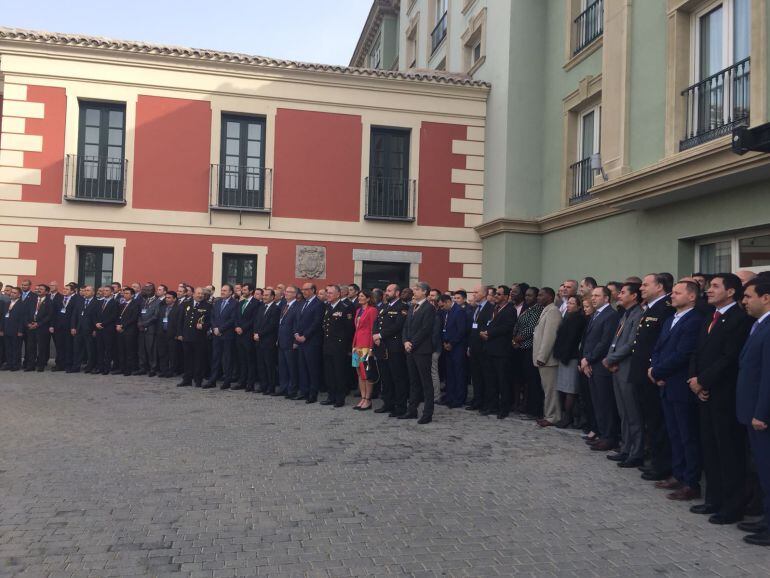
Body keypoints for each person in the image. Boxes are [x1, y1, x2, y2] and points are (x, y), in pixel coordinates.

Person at [687, 273, 754, 523]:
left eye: (715, 286)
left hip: (724, 395)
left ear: (731, 292)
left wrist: (703, 381)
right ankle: (713, 499)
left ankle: (732, 506)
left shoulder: (740, 320)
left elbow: (729, 358)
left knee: (729, 452)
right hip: (703, 393)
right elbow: (696, 351)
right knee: (710, 449)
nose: (709, 290)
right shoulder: (709, 318)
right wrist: (694, 379)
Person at [649, 281, 704, 501]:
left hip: (680, 386)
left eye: (678, 292)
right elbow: (659, 347)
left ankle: (691, 482)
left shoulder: (694, 321)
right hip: (665, 383)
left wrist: (659, 371)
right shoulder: (671, 318)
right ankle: (678, 473)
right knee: (673, 433)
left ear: (691, 297)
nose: (672, 295)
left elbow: (683, 354)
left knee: (687, 435)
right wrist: (655, 370)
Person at [630, 273, 676, 481]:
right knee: (651, 419)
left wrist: (655, 369)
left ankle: (662, 464)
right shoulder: (651, 308)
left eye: (646, 285)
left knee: (658, 422)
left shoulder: (665, 308)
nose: (641, 288)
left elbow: (663, 344)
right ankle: (656, 460)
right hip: (642, 374)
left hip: (652, 374)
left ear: (659, 287)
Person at [736, 278, 770, 545]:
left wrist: (762, 413)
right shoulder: (759, 326)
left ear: (766, 298)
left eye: (748, 296)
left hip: (762, 417)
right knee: (762, 468)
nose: (744, 301)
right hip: (752, 411)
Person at [603, 283, 645, 467]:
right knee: (623, 413)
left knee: (633, 413)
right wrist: (610, 359)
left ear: (634, 296)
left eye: (623, 292)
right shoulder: (626, 313)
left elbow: (630, 343)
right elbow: (616, 339)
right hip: (616, 367)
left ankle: (636, 452)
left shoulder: (638, 314)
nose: (619, 295)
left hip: (626, 368)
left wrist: (611, 358)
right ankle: (626, 447)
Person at [581, 287, 620, 452]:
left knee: (605, 403)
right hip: (591, 364)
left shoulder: (610, 315)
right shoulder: (596, 315)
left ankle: (609, 437)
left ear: (607, 298)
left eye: (597, 296)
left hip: (601, 366)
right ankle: (602, 434)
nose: (593, 298)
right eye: (592, 295)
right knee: (597, 402)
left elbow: (604, 342)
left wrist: (588, 359)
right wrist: (585, 359)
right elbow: (589, 340)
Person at [401, 282, 436, 424]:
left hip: (422, 350)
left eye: (417, 290)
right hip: (410, 349)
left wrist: (412, 343)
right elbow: (405, 327)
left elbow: (425, 330)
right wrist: (405, 342)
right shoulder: (412, 306)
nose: (414, 292)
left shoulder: (429, 308)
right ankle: (412, 410)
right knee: (413, 381)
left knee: (425, 382)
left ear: (424, 292)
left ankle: (428, 413)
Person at [481, 285, 517, 419]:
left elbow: (507, 327)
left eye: (499, 294)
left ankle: (504, 408)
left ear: (506, 297)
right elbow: (486, 322)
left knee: (503, 381)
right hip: (489, 349)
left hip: (501, 351)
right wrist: (484, 332)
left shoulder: (510, 310)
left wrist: (489, 333)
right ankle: (492, 405)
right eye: (496, 294)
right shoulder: (493, 308)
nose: (496, 296)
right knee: (491, 380)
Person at [373, 284, 409, 416]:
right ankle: (388, 403)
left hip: (394, 347)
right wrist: (375, 335)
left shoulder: (402, 307)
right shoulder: (383, 307)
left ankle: (400, 407)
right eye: (386, 291)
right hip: (382, 347)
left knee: (397, 378)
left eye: (389, 291)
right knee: (385, 378)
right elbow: (376, 322)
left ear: (397, 293)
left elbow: (398, 326)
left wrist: (380, 335)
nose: (386, 293)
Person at [553, 295, 586, 428]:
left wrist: (564, 356)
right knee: (563, 389)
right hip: (563, 357)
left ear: (579, 306)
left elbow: (572, 340)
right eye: (569, 303)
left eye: (573, 303)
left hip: (570, 358)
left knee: (570, 390)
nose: (569, 305)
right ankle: (567, 416)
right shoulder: (568, 317)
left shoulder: (578, 319)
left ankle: (568, 417)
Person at [321, 285, 354, 408]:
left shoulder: (346, 307)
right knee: (329, 373)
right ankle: (331, 396)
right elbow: (325, 325)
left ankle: (340, 398)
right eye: (327, 292)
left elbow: (349, 329)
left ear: (338, 294)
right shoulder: (328, 306)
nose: (328, 295)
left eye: (330, 293)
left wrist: (345, 346)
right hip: (328, 344)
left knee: (339, 372)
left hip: (339, 345)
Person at [533, 287, 562, 427]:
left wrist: (542, 356)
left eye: (541, 295)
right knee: (547, 389)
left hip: (548, 360)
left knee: (550, 390)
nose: (538, 297)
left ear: (550, 297)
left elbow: (550, 336)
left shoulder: (553, 311)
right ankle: (548, 414)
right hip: (543, 358)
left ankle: (552, 416)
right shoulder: (546, 310)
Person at [514, 287, 543, 419]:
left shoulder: (537, 310)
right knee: (524, 380)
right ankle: (524, 405)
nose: (527, 298)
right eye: (526, 295)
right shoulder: (528, 309)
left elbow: (531, 328)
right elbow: (518, 325)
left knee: (532, 381)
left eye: (530, 296)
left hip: (529, 348)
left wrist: (517, 339)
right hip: (520, 347)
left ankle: (533, 410)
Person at [294, 283, 324, 403]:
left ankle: (313, 393)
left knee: (312, 368)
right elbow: (297, 320)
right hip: (300, 340)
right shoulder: (302, 303)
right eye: (302, 289)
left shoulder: (319, 304)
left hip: (311, 341)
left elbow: (316, 323)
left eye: (306, 289)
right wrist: (296, 334)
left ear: (313, 290)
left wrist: (305, 336)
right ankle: (304, 391)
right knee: (302, 367)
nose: (303, 292)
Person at [466, 285, 494, 411]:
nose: (474, 294)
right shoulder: (475, 308)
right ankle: (477, 400)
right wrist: (469, 346)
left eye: (476, 292)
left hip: (484, 348)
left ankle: (487, 403)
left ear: (484, 294)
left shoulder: (490, 308)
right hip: (474, 347)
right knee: (476, 376)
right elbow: (473, 328)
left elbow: (488, 328)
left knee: (486, 377)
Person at [177, 287, 211, 388]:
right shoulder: (186, 304)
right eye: (198, 293)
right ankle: (187, 379)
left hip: (199, 337)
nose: (200, 295)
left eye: (202, 294)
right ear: (193, 294)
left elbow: (210, 321)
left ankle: (198, 380)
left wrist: (204, 326)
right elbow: (180, 320)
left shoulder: (208, 306)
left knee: (199, 360)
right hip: (186, 336)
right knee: (187, 359)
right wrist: (179, 333)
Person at [442, 290, 469, 408]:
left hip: (457, 347)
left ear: (448, 302)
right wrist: (445, 342)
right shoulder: (448, 311)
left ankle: (459, 399)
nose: (442, 308)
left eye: (443, 305)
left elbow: (461, 330)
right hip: (448, 346)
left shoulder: (459, 311)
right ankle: (450, 397)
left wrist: (451, 343)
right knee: (450, 374)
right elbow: (445, 328)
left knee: (458, 373)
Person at [206, 284, 237, 389]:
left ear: (231, 292)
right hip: (216, 335)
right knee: (215, 358)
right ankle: (212, 380)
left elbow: (232, 320)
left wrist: (220, 329)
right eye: (222, 290)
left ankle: (227, 380)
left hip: (227, 335)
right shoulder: (217, 302)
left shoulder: (235, 304)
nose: (222, 292)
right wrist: (215, 328)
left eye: (225, 290)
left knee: (227, 359)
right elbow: (212, 317)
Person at [352, 290, 378, 410]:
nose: (359, 298)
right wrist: (353, 345)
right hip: (357, 344)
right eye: (359, 296)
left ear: (368, 298)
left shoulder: (372, 310)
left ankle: (368, 399)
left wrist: (372, 347)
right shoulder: (358, 310)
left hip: (366, 345)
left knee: (367, 373)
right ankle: (362, 398)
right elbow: (357, 329)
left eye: (362, 296)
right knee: (359, 372)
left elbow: (373, 329)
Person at [235, 283, 261, 391]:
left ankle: (250, 383)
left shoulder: (256, 303)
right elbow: (236, 316)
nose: (243, 291)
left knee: (250, 360)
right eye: (242, 289)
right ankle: (242, 381)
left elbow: (254, 319)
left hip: (248, 335)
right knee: (241, 360)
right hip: (239, 335)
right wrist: (237, 326)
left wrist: (243, 328)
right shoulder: (241, 303)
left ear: (251, 291)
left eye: (245, 290)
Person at [254, 288, 280, 394]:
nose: (264, 297)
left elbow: (272, 325)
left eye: (267, 295)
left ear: (273, 297)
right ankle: (263, 385)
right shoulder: (261, 307)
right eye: (263, 295)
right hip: (258, 340)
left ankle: (271, 386)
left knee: (269, 365)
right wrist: (255, 332)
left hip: (268, 340)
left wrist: (260, 334)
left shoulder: (275, 309)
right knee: (260, 364)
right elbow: (256, 322)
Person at [277, 285, 300, 397]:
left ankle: (292, 389)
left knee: (291, 367)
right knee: (282, 366)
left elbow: (297, 325)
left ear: (295, 294)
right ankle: (283, 387)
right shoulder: (284, 305)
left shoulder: (297, 306)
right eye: (286, 291)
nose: (286, 293)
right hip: (282, 340)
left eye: (289, 292)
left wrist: (296, 342)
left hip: (290, 341)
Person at [25, 284, 54, 371]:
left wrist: (38, 324)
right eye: (38, 289)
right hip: (31, 327)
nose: (39, 290)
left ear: (46, 292)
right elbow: (25, 313)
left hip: (42, 328)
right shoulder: (32, 300)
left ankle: (41, 366)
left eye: (41, 289)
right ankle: (31, 366)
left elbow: (49, 316)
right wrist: (28, 324)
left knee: (42, 347)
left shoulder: (50, 301)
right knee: (30, 347)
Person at [70, 285, 98, 373]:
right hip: (79, 329)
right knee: (77, 349)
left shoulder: (97, 302)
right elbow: (74, 315)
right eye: (85, 290)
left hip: (90, 329)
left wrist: (95, 329)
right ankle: (76, 367)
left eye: (88, 290)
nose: (86, 292)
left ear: (93, 292)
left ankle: (90, 366)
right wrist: (73, 327)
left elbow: (97, 317)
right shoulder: (80, 301)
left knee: (90, 349)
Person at [51, 283, 78, 372]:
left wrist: (73, 327)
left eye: (67, 289)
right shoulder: (60, 298)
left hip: (69, 327)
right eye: (64, 289)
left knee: (69, 347)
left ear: (72, 291)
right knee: (59, 346)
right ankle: (59, 364)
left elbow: (75, 315)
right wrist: (52, 325)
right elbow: (54, 313)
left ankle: (68, 364)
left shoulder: (76, 299)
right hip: (58, 327)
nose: (64, 290)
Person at [115, 287, 139, 375]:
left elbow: (134, 318)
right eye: (124, 293)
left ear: (132, 295)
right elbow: (117, 316)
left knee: (129, 350)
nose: (125, 295)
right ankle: (122, 368)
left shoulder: (135, 304)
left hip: (129, 330)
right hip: (120, 330)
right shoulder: (121, 304)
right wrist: (117, 325)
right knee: (121, 350)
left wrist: (123, 326)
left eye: (127, 293)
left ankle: (129, 369)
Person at [94, 286, 119, 375]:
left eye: (107, 290)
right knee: (99, 349)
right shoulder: (99, 302)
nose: (104, 292)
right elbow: (95, 314)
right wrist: (96, 323)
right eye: (104, 290)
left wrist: (103, 324)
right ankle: (100, 367)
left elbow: (113, 316)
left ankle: (107, 367)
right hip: (99, 329)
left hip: (108, 329)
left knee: (108, 350)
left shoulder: (115, 303)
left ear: (112, 292)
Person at [157, 291, 181, 378]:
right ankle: (164, 370)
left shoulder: (178, 308)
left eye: (169, 297)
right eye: (166, 297)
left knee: (172, 354)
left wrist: (178, 334)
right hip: (162, 333)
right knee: (162, 353)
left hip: (172, 334)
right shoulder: (162, 308)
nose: (167, 299)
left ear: (174, 299)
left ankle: (171, 371)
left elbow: (179, 323)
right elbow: (159, 320)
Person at [0, 287, 25, 370]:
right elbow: (3, 317)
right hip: (6, 329)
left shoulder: (21, 304)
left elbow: (22, 319)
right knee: (8, 348)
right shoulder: (7, 303)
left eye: (14, 293)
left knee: (16, 348)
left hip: (16, 330)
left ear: (19, 295)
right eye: (12, 292)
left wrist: (20, 330)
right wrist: (2, 329)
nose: (12, 294)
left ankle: (15, 364)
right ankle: (9, 363)